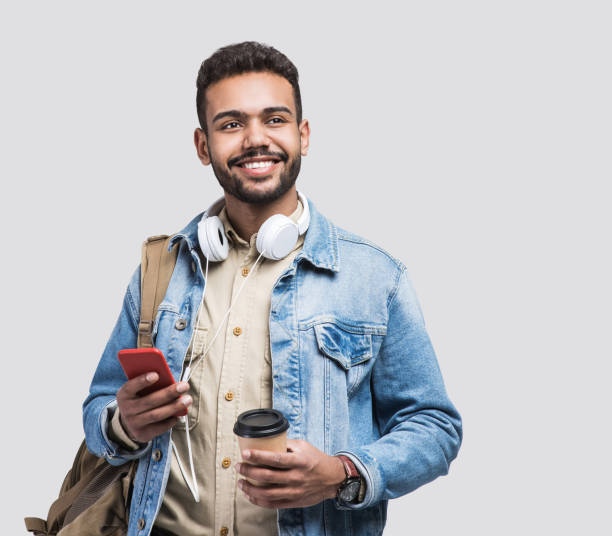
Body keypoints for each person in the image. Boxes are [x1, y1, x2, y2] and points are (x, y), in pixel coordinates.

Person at [83, 41, 462, 536]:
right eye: (232, 124)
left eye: (275, 119)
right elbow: (99, 408)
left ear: (303, 135)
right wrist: (122, 424)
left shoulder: (375, 275)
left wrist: (342, 474)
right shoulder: (162, 270)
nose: (255, 140)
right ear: (203, 145)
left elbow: (435, 427)